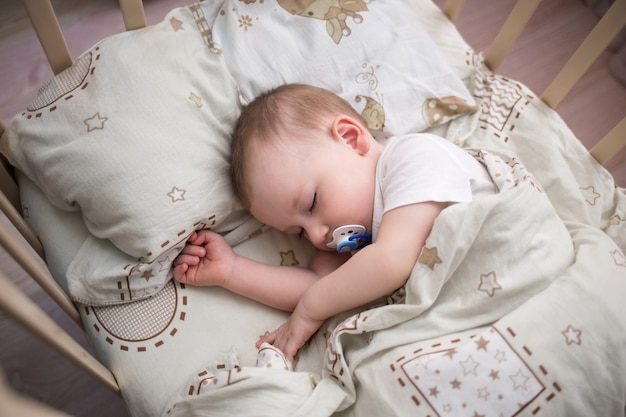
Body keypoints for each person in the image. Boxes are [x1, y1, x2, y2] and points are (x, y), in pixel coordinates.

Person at [173, 84, 497, 362]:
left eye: (312, 203)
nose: (315, 235)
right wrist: (232, 271)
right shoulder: (354, 244)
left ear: (350, 138)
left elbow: (391, 259)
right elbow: (317, 286)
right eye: (297, 232)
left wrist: (311, 309)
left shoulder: (412, 158)